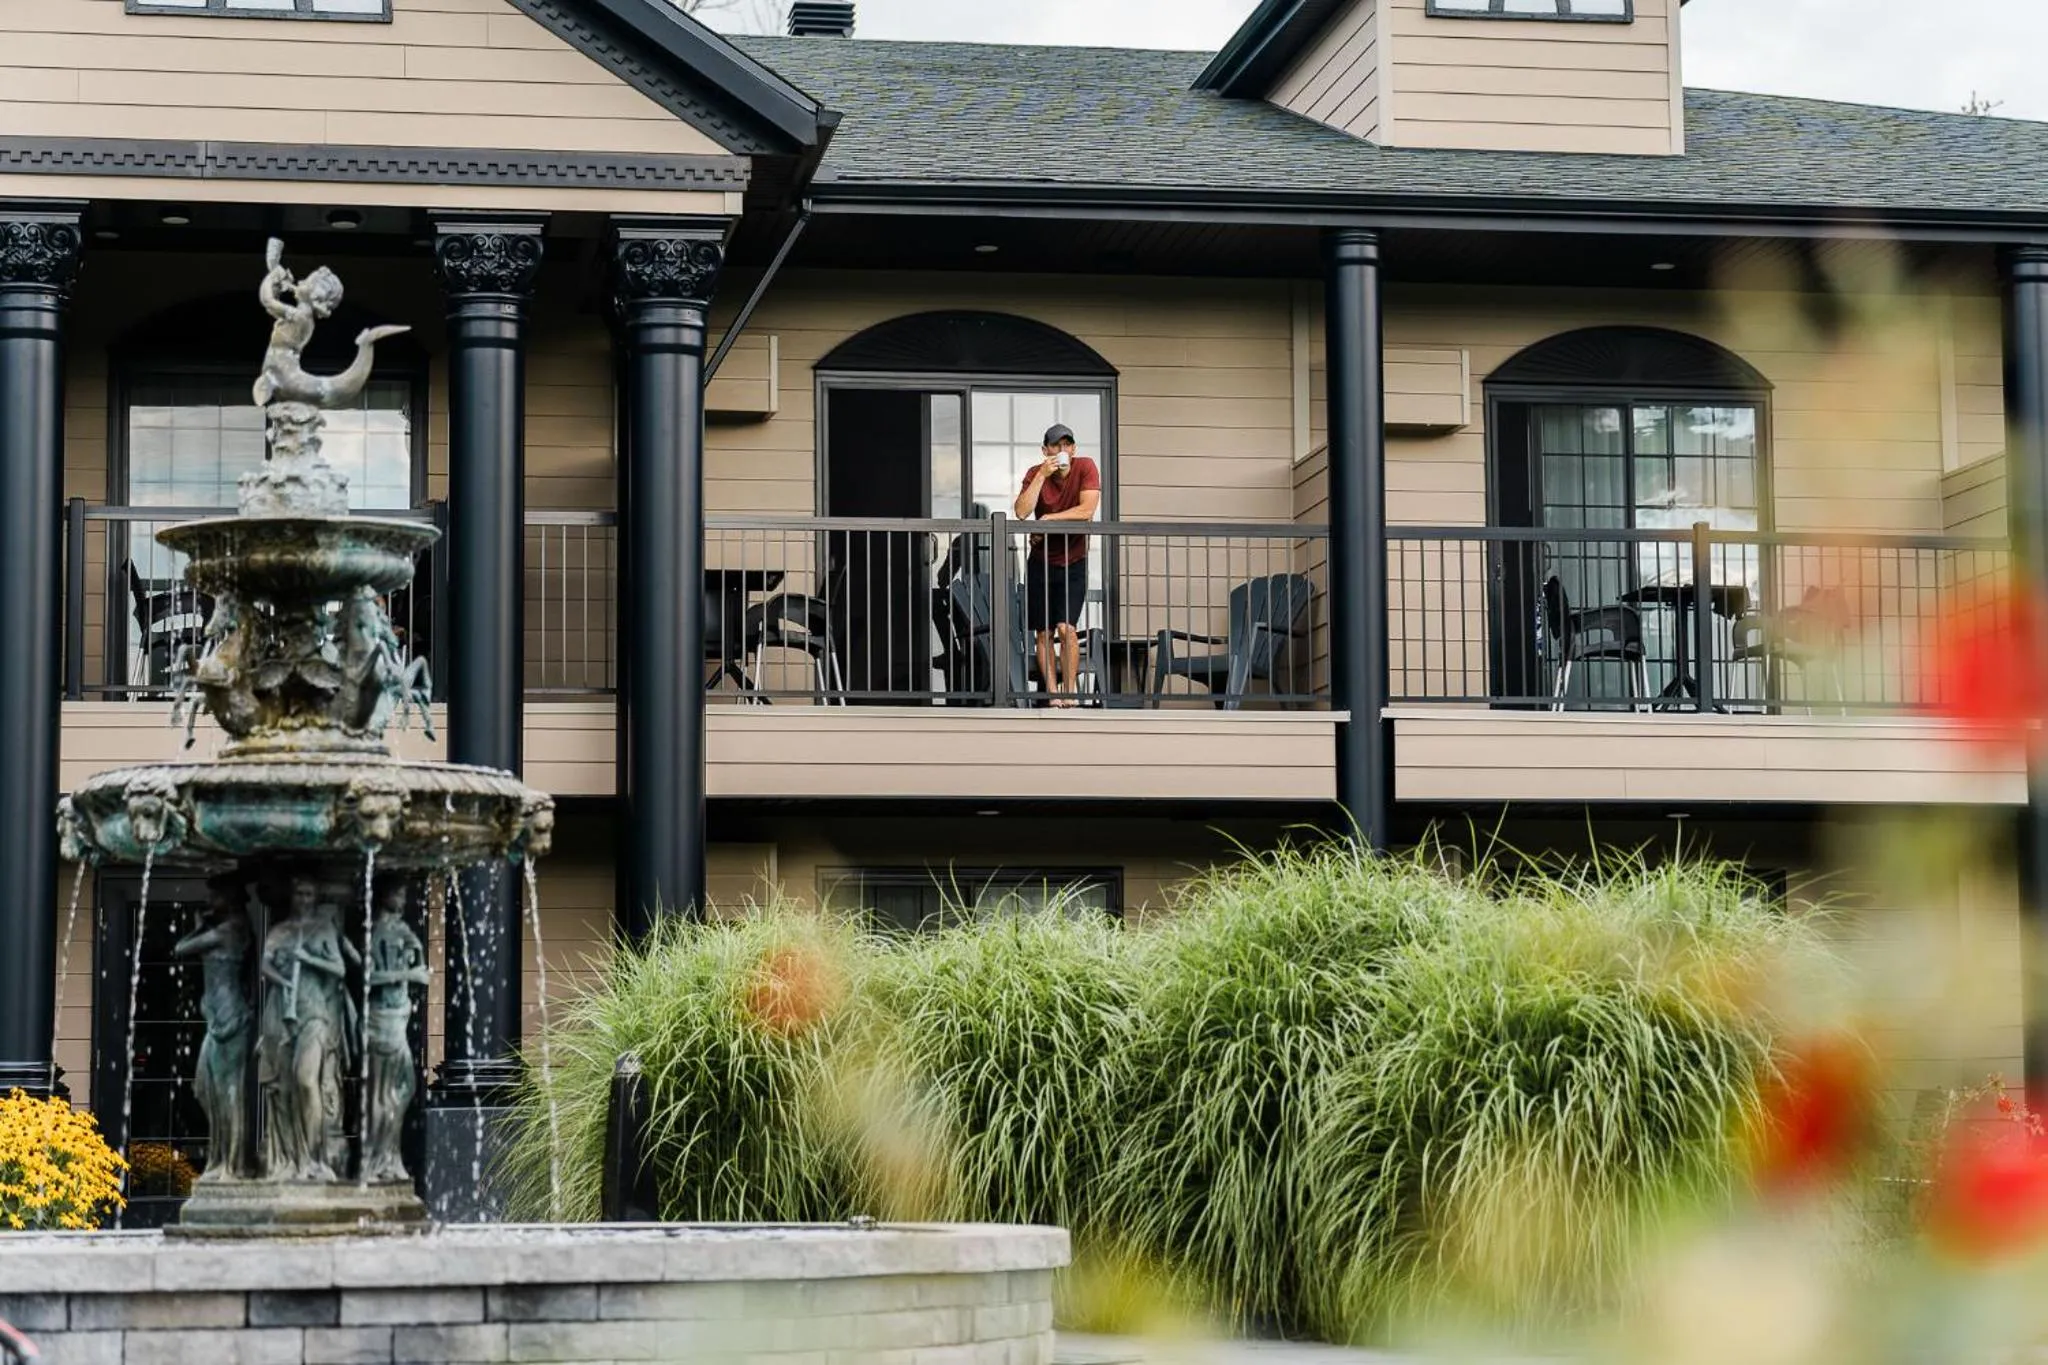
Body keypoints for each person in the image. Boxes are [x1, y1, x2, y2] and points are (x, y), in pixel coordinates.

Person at [1013, 424, 1102, 707]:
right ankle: (1052, 693)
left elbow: (1087, 510)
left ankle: (1070, 690)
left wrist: (1049, 521)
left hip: (1074, 560)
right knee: (1044, 632)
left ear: (1074, 449)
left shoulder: (1085, 466)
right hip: (1041, 562)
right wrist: (1042, 474)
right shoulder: (1035, 473)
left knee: (1067, 629)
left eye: (1067, 445)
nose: (1062, 451)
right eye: (1056, 446)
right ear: (1045, 451)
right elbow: (1022, 511)